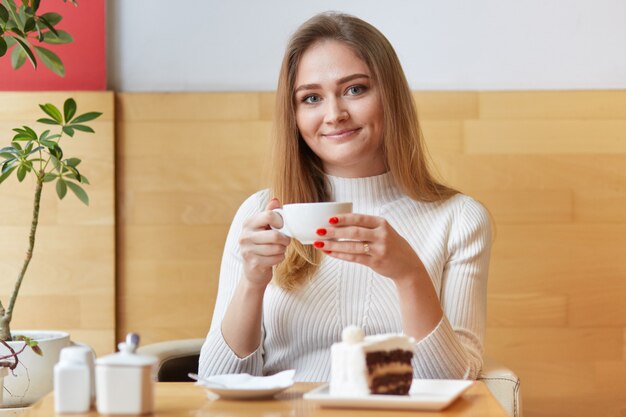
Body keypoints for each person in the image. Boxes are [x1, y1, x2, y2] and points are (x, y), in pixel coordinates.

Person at [199, 11, 491, 382]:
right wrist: (252, 281)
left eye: (355, 89)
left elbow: (458, 383)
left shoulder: (459, 219)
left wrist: (409, 274)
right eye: (311, 98)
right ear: (293, 114)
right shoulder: (261, 214)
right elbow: (215, 380)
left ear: (390, 96)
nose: (334, 114)